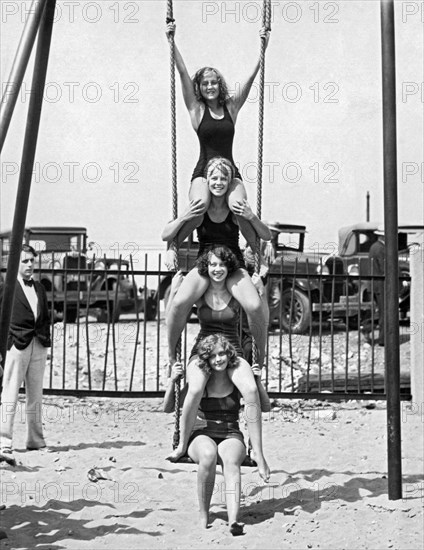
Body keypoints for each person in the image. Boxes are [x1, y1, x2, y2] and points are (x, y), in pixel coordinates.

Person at [165, 246, 270, 485]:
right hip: (203, 349)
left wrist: (261, 292)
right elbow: (172, 313)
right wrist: (174, 289)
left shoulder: (236, 293)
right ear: (206, 267)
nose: (217, 270)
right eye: (212, 265)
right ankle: (182, 444)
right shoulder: (200, 293)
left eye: (222, 265)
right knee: (195, 388)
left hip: (231, 348)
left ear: (228, 268)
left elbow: (261, 317)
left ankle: (259, 453)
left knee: (251, 390)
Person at [165, 21, 270, 250]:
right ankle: (174, 245)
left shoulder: (231, 108)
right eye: (205, 84)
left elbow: (250, 80)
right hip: (204, 170)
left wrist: (263, 48)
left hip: (229, 170)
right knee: (199, 205)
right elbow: (182, 73)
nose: (210, 86)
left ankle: (256, 251)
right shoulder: (197, 110)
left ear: (219, 85)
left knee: (240, 207)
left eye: (214, 82)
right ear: (199, 88)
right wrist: (172, 42)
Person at [162, 157, 271, 368]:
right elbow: (168, 235)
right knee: (178, 303)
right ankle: (171, 354)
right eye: (213, 178)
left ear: (229, 182)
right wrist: (171, 247)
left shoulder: (235, 213)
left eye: (223, 178)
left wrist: (251, 216)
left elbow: (263, 236)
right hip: (206, 263)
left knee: (254, 305)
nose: (218, 182)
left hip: (232, 264)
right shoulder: (200, 213)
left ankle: (260, 356)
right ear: (207, 181)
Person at [164, 334, 269, 535]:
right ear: (206, 359)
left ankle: (233, 520)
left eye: (222, 354)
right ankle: (205, 515)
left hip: (230, 433)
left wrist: (257, 382)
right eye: (213, 356)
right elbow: (169, 408)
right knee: (208, 455)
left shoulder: (236, 379)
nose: (219, 359)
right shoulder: (201, 381)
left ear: (229, 354)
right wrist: (172, 381)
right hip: (201, 432)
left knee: (231, 461)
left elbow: (264, 406)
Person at [0, 244, 51, 465]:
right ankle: (3, 442)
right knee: (10, 393)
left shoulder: (39, 288)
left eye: (32, 260)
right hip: (16, 345)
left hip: (38, 344)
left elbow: (46, 316)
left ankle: (35, 440)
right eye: (24, 261)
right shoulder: (6, 288)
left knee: (35, 395)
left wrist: (45, 343)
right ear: (13, 264)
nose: (30, 265)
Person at [363, 229, 385, 346]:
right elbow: (384, 267)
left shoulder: (374, 247)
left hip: (374, 285)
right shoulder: (381, 248)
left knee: (377, 312)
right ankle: (383, 339)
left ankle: (367, 330)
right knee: (384, 313)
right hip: (380, 285)